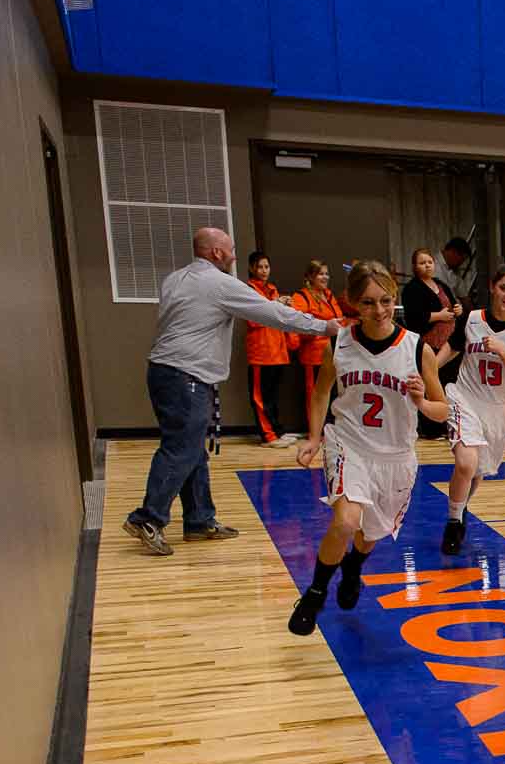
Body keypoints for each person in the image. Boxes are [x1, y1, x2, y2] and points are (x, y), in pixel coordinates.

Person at [124, 227, 339, 557]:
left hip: (165, 372)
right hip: (186, 376)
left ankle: (199, 520)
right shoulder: (219, 284)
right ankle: (148, 518)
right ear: (216, 254)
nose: (235, 255)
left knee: (193, 449)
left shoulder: (175, 279)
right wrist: (325, 326)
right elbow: (273, 314)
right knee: (181, 447)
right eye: (231, 250)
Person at [288, 260, 450, 635]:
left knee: (369, 535)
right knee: (345, 521)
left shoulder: (416, 349)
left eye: (385, 301)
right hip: (350, 444)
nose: (378, 311)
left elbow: (442, 411)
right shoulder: (339, 343)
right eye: (367, 303)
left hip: (395, 455)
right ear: (352, 303)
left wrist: (422, 402)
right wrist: (314, 438)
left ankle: (354, 567)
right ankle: (314, 593)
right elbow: (321, 393)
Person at [442, 263, 505, 553]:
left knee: (475, 472)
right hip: (466, 399)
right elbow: (453, 347)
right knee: (465, 463)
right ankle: (452, 521)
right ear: (492, 287)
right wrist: (428, 370)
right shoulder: (472, 319)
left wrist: (503, 352)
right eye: (504, 288)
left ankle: (459, 514)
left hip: (500, 410)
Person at [242, 251, 298, 447]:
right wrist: (274, 305)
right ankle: (268, 436)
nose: (264, 271)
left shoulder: (272, 289)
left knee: (273, 396)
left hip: (277, 351)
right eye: (260, 267)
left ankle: (278, 431)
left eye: (266, 267)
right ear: (251, 268)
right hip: (261, 352)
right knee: (260, 397)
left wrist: (286, 307)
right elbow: (253, 318)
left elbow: (279, 318)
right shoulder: (248, 290)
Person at [287, 260, 343, 441]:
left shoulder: (329, 296)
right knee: (316, 394)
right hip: (313, 355)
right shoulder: (301, 297)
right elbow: (299, 325)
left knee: (333, 394)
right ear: (310, 277)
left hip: (333, 353)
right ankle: (316, 432)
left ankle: (331, 430)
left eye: (327, 273)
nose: (325, 277)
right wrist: (321, 329)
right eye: (320, 274)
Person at [435, 235, 477, 307]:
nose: (461, 264)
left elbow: (464, 296)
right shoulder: (433, 266)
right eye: (462, 260)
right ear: (453, 252)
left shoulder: (454, 268)